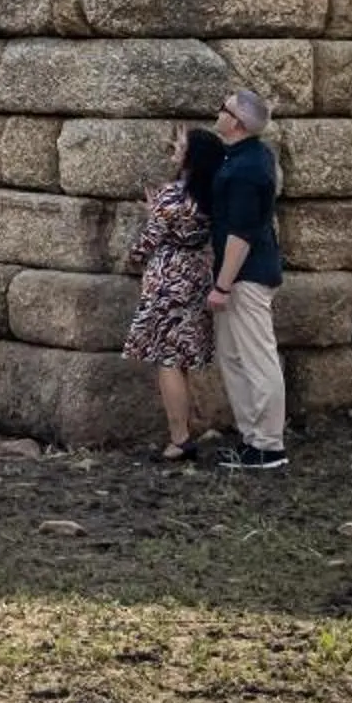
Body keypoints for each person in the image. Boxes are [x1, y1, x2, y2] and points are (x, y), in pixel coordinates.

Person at [122, 126, 224, 462]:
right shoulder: (213, 193)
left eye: (181, 145)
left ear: (192, 156)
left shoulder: (171, 196)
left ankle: (179, 438)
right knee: (182, 354)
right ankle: (185, 431)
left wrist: (133, 256)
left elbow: (148, 242)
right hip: (196, 274)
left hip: (168, 278)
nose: (174, 148)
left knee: (168, 359)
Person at [205, 88, 288, 471]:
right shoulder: (243, 158)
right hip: (238, 273)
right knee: (234, 357)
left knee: (256, 358)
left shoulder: (247, 168)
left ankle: (269, 444)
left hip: (246, 275)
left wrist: (222, 285)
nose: (217, 112)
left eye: (224, 109)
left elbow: (241, 232)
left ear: (236, 123)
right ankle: (252, 439)